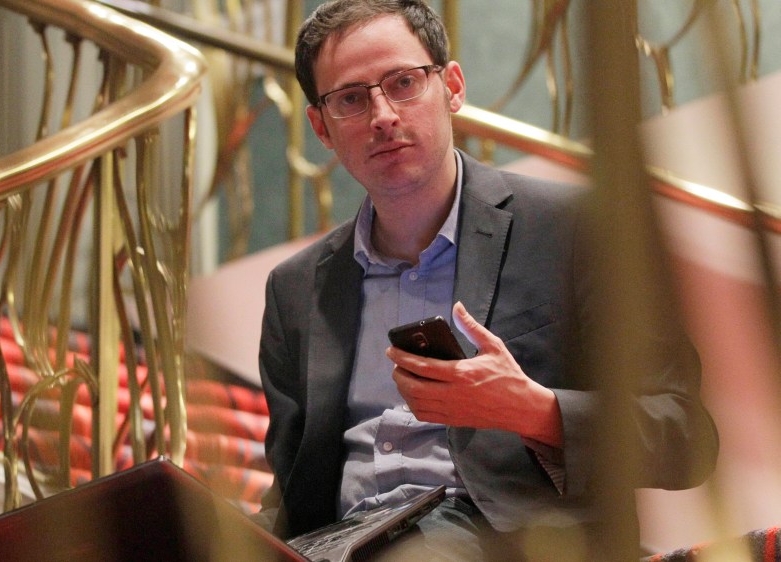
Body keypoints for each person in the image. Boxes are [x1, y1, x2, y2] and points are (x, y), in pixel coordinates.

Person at [252, 0, 719, 559]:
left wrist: (534, 409)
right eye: (351, 98)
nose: (382, 115)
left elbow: (686, 437)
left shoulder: (577, 228)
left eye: (403, 82)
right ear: (320, 127)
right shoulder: (295, 289)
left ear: (452, 86)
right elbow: (293, 491)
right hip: (339, 545)